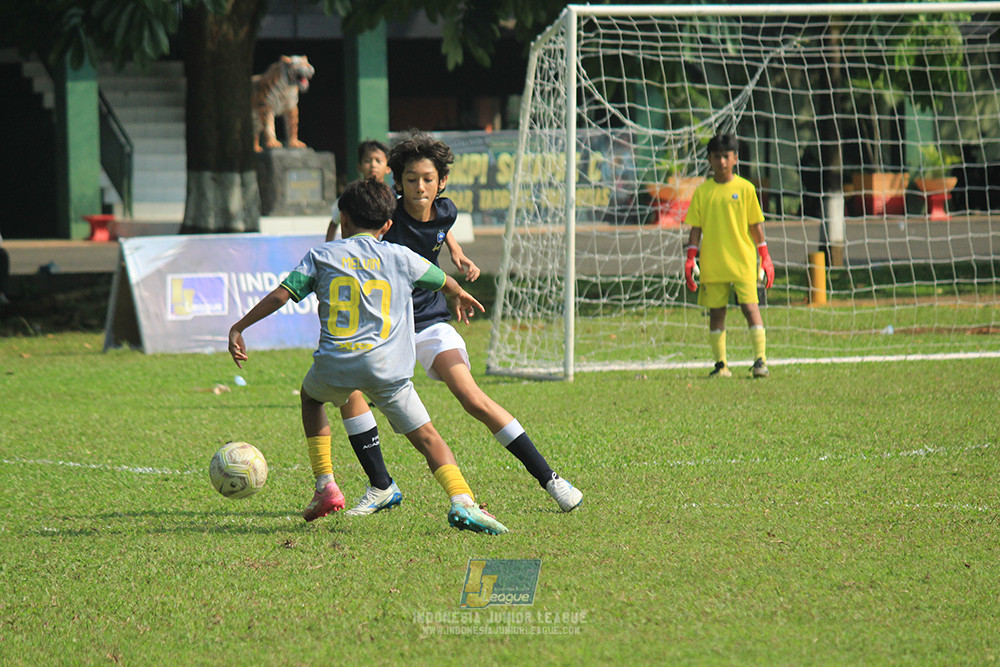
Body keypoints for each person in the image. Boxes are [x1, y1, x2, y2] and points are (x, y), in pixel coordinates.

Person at [228, 177, 508, 535]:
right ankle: (462, 500)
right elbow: (442, 280)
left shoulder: (321, 255)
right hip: (388, 368)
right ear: (388, 225)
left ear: (343, 219)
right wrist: (457, 294)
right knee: (428, 438)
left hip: (336, 364)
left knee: (312, 399)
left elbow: (281, 295)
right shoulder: (401, 255)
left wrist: (240, 326)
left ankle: (326, 484)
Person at [335, 129, 584, 517]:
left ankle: (552, 480)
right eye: (411, 180)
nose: (420, 187)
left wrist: (457, 252)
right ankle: (381, 484)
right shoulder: (385, 218)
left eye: (428, 179)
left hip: (431, 321)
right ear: (397, 183)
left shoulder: (447, 209)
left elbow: (440, 227)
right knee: (346, 393)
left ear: (442, 182)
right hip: (385, 327)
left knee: (473, 398)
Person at [684, 132, 774, 378]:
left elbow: (756, 226)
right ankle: (721, 365)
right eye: (716, 156)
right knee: (716, 312)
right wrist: (691, 258)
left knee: (750, 307)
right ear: (709, 159)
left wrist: (765, 256)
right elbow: (696, 229)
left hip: (743, 261)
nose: (722, 161)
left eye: (726, 156)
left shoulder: (745, 189)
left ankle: (760, 360)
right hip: (713, 263)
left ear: (735, 158)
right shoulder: (703, 192)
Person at [326, 140, 391, 242]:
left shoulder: (394, 198)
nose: (373, 165)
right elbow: (334, 223)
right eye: (367, 161)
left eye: (378, 161)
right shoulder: (351, 197)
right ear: (359, 167)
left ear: (388, 168)